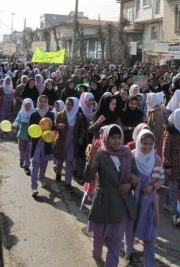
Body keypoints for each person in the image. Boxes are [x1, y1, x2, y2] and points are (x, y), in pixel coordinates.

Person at [85, 125, 134, 267]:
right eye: (113, 138)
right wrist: (91, 160)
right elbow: (88, 178)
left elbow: (134, 176)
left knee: (116, 241)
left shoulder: (127, 154)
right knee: (99, 236)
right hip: (104, 203)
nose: (117, 141)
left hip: (121, 204)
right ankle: (96, 254)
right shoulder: (101, 154)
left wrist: (129, 185)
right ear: (107, 138)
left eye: (119, 137)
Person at [126, 129, 164, 266]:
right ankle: (129, 254)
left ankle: (149, 263)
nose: (147, 147)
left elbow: (161, 179)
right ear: (138, 142)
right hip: (134, 200)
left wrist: (153, 188)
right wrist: (132, 177)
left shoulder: (157, 159)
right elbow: (125, 173)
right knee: (130, 229)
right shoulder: (132, 156)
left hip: (149, 203)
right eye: (144, 143)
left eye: (150, 144)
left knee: (151, 234)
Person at [53, 97, 84, 191]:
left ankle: (67, 182)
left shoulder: (78, 116)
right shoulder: (60, 115)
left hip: (72, 141)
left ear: (74, 105)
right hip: (62, 141)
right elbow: (54, 126)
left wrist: (80, 138)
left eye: (70, 105)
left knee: (70, 161)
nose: (68, 107)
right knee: (60, 159)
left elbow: (82, 128)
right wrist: (57, 126)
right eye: (67, 104)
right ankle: (58, 173)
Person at [29, 95, 54, 199]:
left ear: (47, 103)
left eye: (45, 101)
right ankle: (34, 187)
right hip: (36, 143)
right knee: (35, 163)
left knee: (44, 162)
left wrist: (58, 127)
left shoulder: (50, 114)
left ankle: (42, 177)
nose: (42, 103)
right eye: (41, 101)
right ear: (38, 102)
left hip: (46, 143)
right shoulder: (34, 114)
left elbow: (52, 127)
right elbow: (30, 129)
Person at [12, 98, 35, 175]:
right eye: (26, 106)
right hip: (21, 134)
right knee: (21, 149)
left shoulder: (34, 113)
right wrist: (15, 125)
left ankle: (26, 166)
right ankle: (21, 160)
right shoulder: (21, 112)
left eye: (29, 106)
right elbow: (17, 120)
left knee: (27, 151)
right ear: (24, 106)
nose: (28, 107)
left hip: (29, 135)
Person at [146, 92, 165, 158]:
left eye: (149, 99)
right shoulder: (153, 111)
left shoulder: (156, 112)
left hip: (156, 140)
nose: (147, 101)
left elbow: (156, 129)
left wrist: (152, 140)